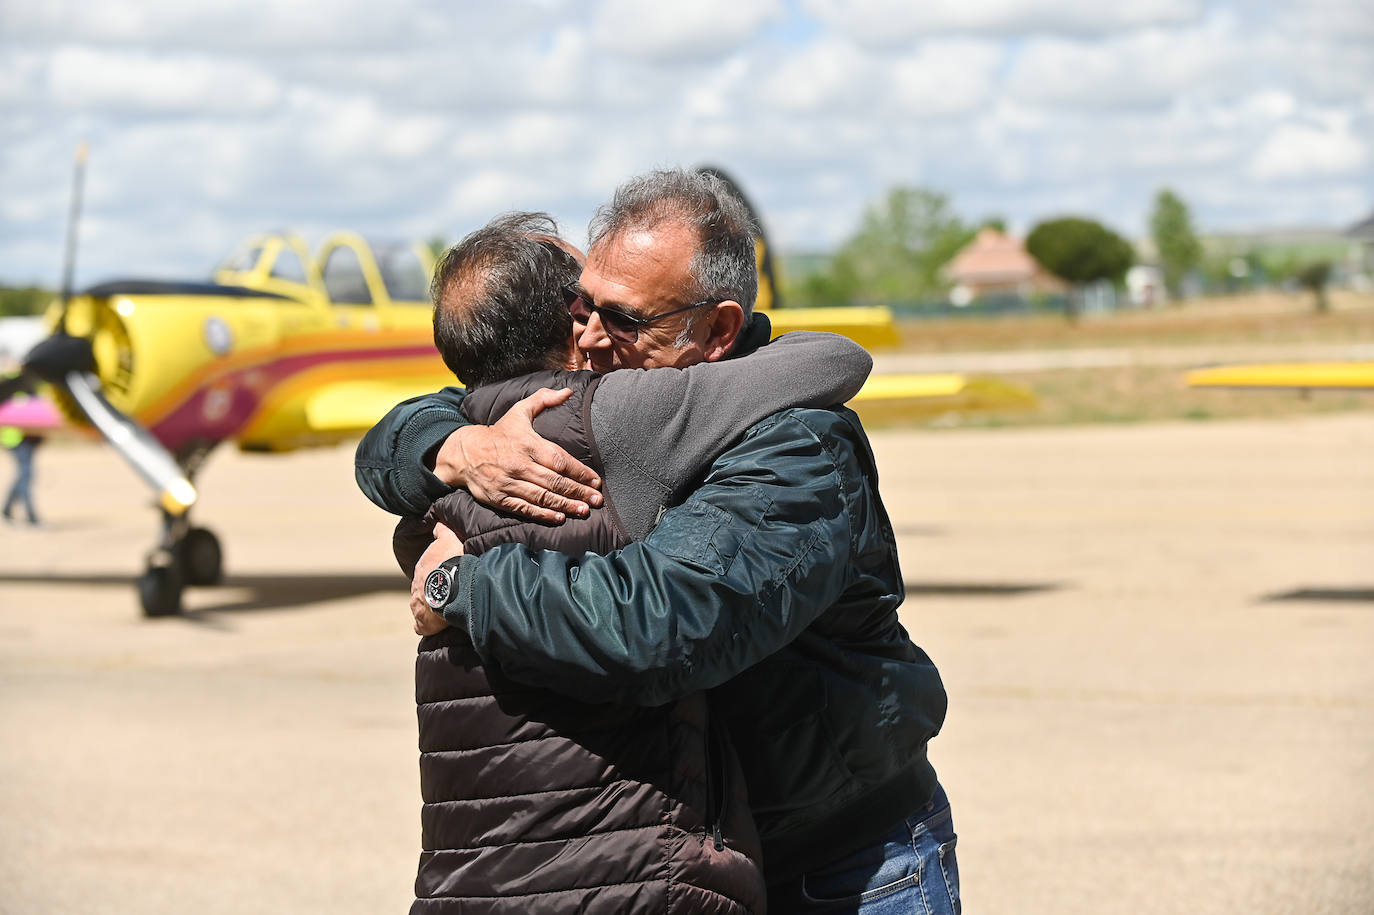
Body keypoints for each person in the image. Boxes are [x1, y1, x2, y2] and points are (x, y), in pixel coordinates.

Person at [357, 168, 959, 914]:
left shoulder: (795, 442)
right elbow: (425, 417)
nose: (588, 338)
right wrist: (450, 445)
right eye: (582, 307)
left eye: (624, 321)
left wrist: (463, 584)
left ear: (719, 330)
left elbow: (664, 623)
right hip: (718, 857)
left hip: (844, 861)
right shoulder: (587, 410)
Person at [2, 375, 43, 527]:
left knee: (24, 475)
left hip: (29, 440)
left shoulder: (32, 390)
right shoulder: (11, 390)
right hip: (16, 440)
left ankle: (6, 510)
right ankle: (31, 517)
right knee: (25, 475)